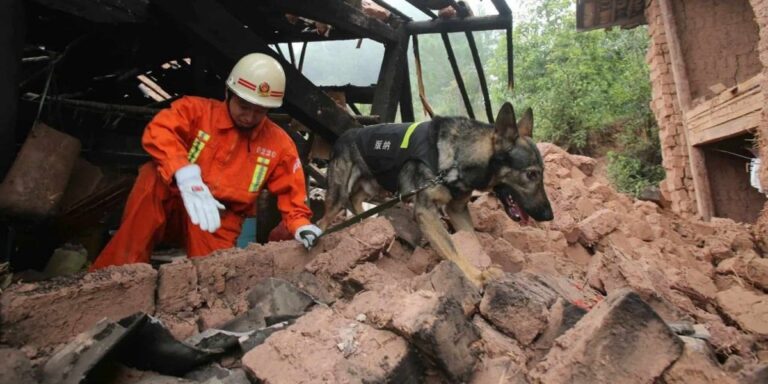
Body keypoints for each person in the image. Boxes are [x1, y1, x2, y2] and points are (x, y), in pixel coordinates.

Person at [90, 53, 322, 271]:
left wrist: (300, 225)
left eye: (260, 111)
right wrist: (184, 174)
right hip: (175, 200)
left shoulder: (279, 144)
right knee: (152, 176)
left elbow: (293, 195)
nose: (249, 117)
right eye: (244, 106)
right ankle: (120, 274)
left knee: (213, 278)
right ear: (228, 93)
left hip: (219, 219)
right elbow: (160, 131)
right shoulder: (195, 111)